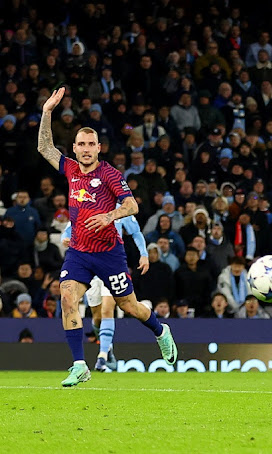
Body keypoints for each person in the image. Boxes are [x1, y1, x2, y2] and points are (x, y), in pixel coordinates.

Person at [37, 88, 177, 387]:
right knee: (67, 297)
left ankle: (160, 331)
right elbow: (46, 149)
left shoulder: (111, 174)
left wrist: (110, 216)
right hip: (78, 252)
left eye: (91, 144)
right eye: (81, 144)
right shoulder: (71, 169)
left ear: (99, 148)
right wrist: (47, 112)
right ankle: (79, 365)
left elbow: (132, 205)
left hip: (109, 253)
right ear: (74, 148)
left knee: (130, 306)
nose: (86, 148)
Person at [61, 201, 150, 372]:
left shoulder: (121, 209)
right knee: (97, 316)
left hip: (111, 264)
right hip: (89, 264)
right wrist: (65, 239)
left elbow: (136, 232)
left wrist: (144, 254)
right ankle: (107, 347)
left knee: (109, 307)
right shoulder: (84, 206)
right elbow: (68, 230)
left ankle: (101, 357)